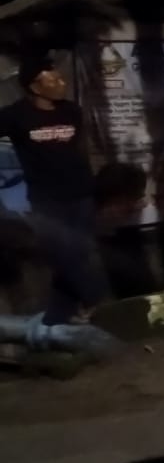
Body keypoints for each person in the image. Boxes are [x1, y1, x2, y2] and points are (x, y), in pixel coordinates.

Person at [0, 55, 108, 327]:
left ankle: (57, 318)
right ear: (35, 87)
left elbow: (81, 149)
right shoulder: (15, 116)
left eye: (61, 79)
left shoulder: (71, 110)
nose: (61, 84)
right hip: (47, 200)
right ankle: (97, 298)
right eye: (54, 80)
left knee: (75, 255)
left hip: (81, 194)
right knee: (63, 254)